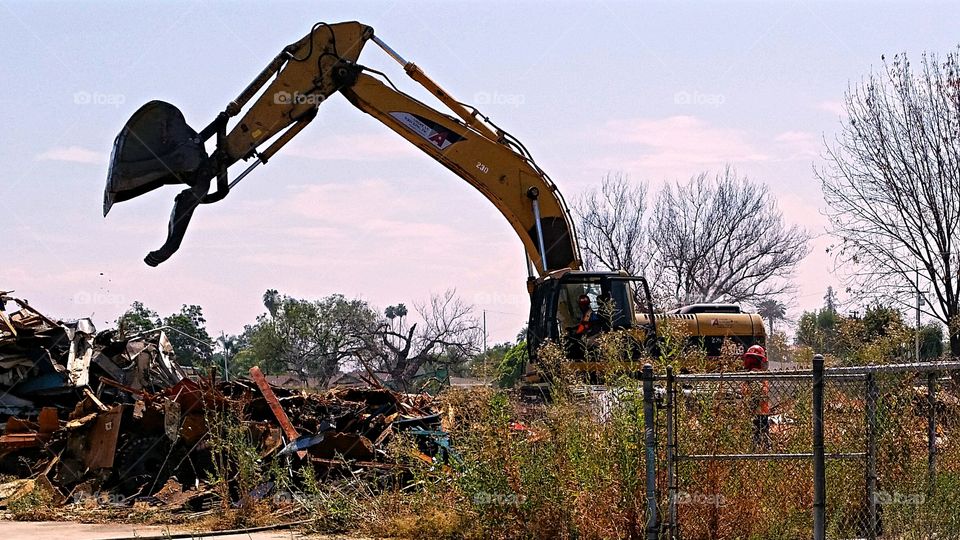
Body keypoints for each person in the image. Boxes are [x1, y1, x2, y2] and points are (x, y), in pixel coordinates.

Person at [742, 344, 771, 450]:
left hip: (754, 412)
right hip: (760, 412)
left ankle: (758, 450)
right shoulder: (758, 376)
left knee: (756, 436)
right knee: (761, 435)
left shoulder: (751, 376)